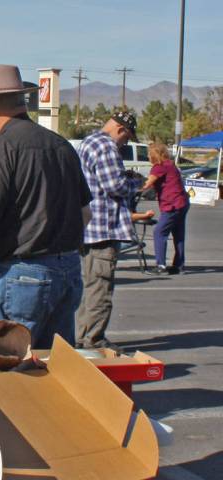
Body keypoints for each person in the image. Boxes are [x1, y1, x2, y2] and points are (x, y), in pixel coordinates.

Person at [0, 65, 92, 349]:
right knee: (52, 364)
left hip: (21, 275)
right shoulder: (62, 146)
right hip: (67, 270)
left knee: (8, 363)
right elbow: (85, 213)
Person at [75, 111, 142, 351]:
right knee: (100, 288)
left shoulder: (89, 142)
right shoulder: (106, 147)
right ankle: (93, 339)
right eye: (127, 138)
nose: (125, 143)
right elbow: (114, 185)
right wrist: (135, 183)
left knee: (89, 286)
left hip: (88, 227)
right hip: (103, 228)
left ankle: (82, 335)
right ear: (121, 130)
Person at [143, 143, 190, 275]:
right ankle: (179, 265)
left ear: (154, 154)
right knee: (178, 234)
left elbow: (146, 184)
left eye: (149, 153)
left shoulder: (159, 167)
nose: (147, 156)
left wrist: (132, 187)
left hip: (172, 205)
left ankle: (161, 265)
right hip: (183, 203)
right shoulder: (170, 165)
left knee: (159, 232)